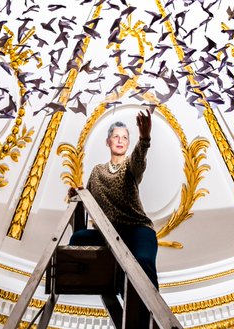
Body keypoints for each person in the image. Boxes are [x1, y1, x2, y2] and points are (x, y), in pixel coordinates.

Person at [68, 109, 159, 318]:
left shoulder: (130, 165)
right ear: (108, 142)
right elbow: (88, 207)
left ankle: (150, 314)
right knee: (78, 238)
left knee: (143, 260)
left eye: (125, 137)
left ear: (128, 144)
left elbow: (138, 159)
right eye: (116, 137)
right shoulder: (97, 172)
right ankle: (118, 283)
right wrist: (77, 198)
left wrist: (144, 138)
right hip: (108, 234)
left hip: (136, 229)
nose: (120, 140)